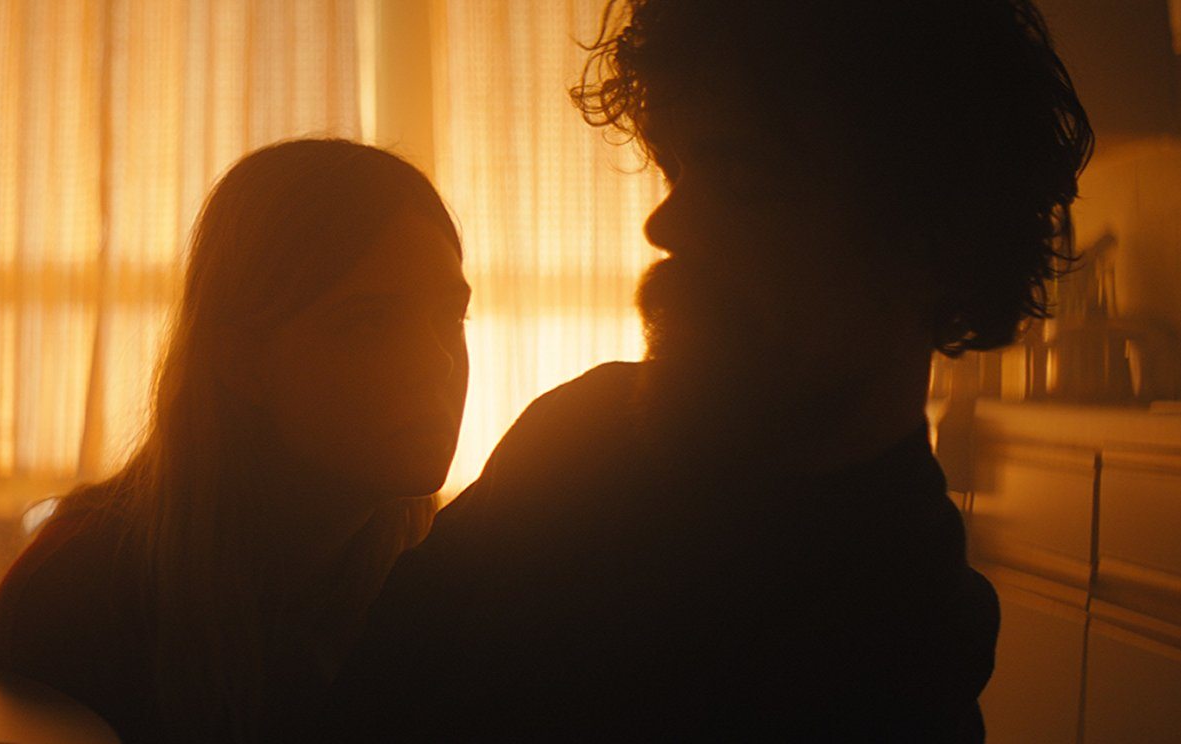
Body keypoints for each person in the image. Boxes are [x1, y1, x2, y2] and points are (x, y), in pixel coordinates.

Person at [325, 0, 1091, 741]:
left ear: (929, 235)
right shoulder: (577, 431)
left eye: (743, 177)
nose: (663, 223)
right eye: (676, 169)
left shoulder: (903, 639)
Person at [0, 139, 471, 742]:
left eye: (452, 315)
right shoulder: (77, 597)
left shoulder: (430, 581)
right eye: (368, 322)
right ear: (240, 359)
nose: (439, 361)